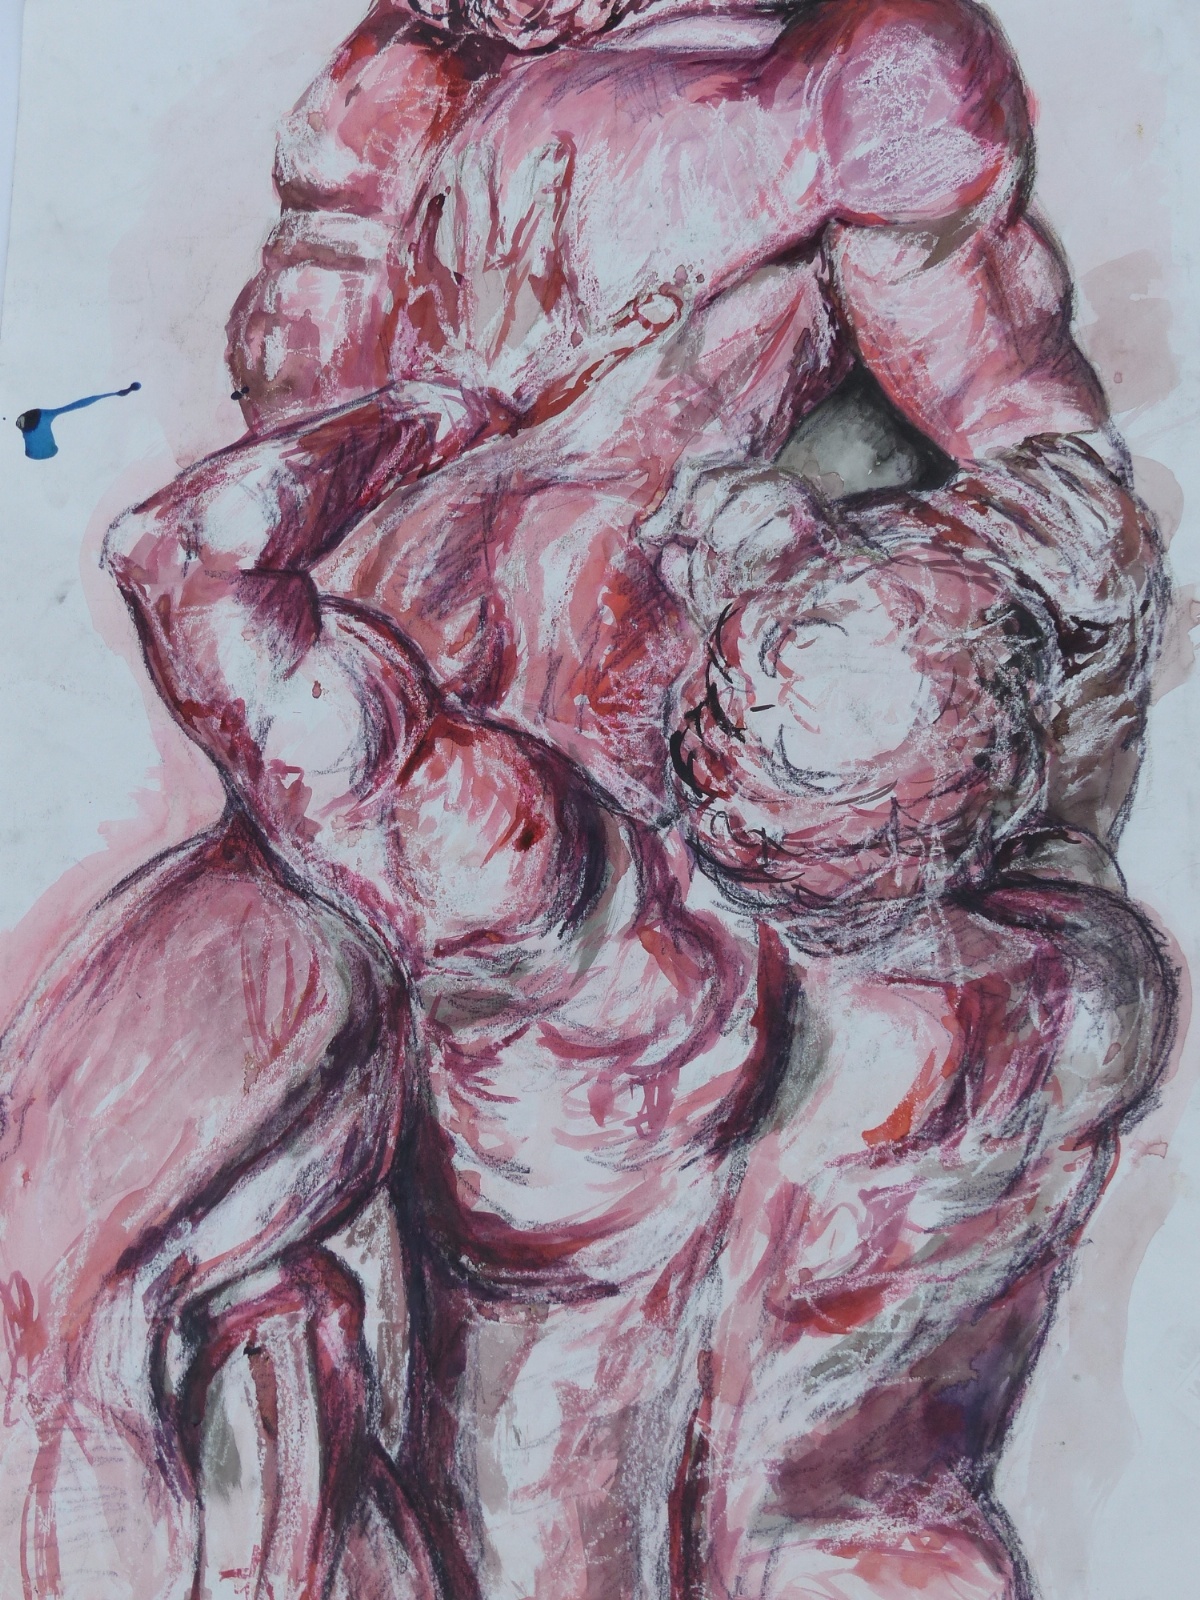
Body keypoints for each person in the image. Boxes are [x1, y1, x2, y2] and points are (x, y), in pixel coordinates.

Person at [0, 0, 1175, 1595]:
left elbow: (1058, 488)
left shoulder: (862, 76)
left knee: (560, 1482)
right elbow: (287, 452)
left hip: (576, 849)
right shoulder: (397, 89)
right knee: (65, 1285)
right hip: (388, 811)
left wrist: (868, 645)